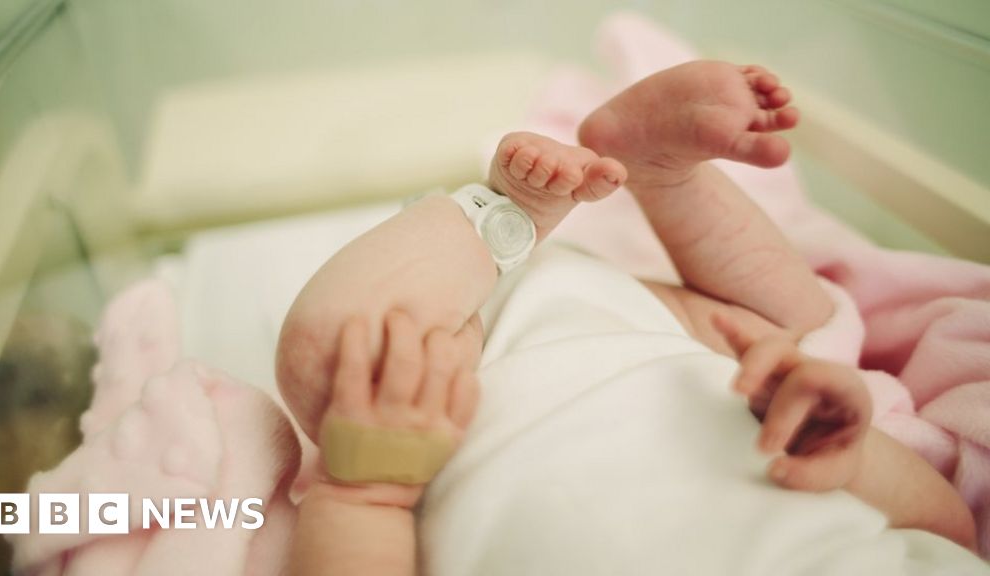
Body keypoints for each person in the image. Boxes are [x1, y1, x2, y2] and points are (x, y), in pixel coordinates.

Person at [277, 60, 978, 575]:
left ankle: (503, 222)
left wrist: (365, 492)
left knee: (335, 356)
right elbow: (948, 528)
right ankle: (660, 173)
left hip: (446, 395)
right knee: (800, 322)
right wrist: (847, 453)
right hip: (722, 379)